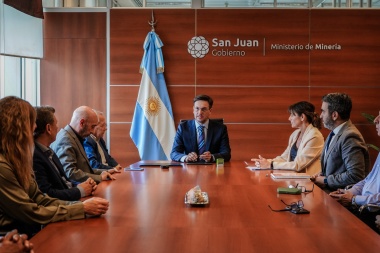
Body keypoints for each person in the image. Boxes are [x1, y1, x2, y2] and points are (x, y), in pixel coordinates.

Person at [0, 96, 109, 238]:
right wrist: (80, 208)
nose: (34, 128)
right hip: (13, 238)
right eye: (31, 123)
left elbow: (40, 198)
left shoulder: (17, 159)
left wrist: (80, 206)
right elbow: (30, 211)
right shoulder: (3, 166)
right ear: (18, 128)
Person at [329, 110, 380, 233]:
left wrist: (354, 199)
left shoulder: (349, 135)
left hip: (372, 213)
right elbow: (368, 180)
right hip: (363, 206)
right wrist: (348, 192)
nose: (375, 120)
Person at [33, 106, 97, 201]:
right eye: (56, 123)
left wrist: (82, 186)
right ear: (48, 128)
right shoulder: (35, 156)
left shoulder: (48, 151)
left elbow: (64, 181)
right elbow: (47, 194)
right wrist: (80, 191)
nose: (58, 127)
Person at [311, 93, 369, 192]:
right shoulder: (335, 132)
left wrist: (325, 180)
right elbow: (337, 167)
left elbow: (355, 175)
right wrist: (322, 174)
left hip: (340, 199)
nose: (320, 116)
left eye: (323, 112)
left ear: (334, 115)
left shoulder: (350, 136)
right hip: (329, 195)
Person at [251, 101, 324, 175]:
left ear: (302, 117)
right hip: (294, 177)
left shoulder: (315, 136)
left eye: (292, 115)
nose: (289, 118)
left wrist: (271, 164)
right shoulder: (295, 134)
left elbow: (298, 165)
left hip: (309, 181)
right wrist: (266, 162)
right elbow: (284, 158)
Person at [51, 106, 116, 184]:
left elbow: (84, 170)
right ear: (82, 123)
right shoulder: (66, 140)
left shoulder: (74, 136)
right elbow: (70, 173)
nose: (92, 131)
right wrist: (99, 177)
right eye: (92, 127)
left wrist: (104, 171)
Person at [170, 94, 231, 163]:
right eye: (197, 108)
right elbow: (174, 153)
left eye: (204, 109)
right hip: (189, 170)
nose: (199, 112)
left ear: (210, 111)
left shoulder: (220, 129)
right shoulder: (183, 128)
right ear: (193, 110)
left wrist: (212, 157)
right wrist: (186, 157)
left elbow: (226, 154)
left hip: (212, 169)